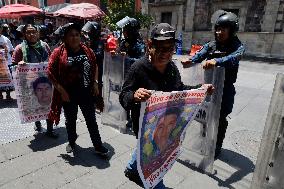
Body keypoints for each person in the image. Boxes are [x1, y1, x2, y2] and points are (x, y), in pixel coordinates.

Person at [119, 23, 214, 188]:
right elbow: (123, 96)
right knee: (156, 157)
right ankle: (157, 184)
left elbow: (179, 91)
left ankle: (132, 167)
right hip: (145, 127)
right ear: (150, 46)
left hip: (168, 123)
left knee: (144, 150)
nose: (165, 54)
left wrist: (200, 90)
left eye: (170, 49)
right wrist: (134, 95)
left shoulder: (172, 68)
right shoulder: (138, 68)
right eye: (160, 49)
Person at [181, 11, 245, 158]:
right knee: (204, 114)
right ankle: (204, 139)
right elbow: (200, 54)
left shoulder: (237, 47)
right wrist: (190, 61)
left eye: (223, 29)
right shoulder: (211, 45)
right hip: (208, 87)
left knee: (220, 119)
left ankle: (217, 145)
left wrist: (217, 61)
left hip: (225, 89)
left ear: (232, 30)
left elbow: (234, 58)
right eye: (218, 29)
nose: (219, 32)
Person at [47, 23, 109, 155]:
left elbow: (95, 66)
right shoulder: (58, 52)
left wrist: (96, 82)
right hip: (68, 94)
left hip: (86, 92)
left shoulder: (87, 50)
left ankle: (98, 145)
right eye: (71, 35)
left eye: (77, 35)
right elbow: (50, 72)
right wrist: (61, 91)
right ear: (65, 38)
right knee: (70, 121)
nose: (75, 38)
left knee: (91, 120)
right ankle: (71, 141)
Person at [12, 24, 58, 138]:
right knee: (34, 105)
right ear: (24, 34)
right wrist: (18, 64)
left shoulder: (45, 45)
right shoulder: (19, 48)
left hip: (46, 81)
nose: (31, 34)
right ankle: (37, 124)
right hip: (30, 83)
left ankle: (50, 129)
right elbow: (13, 65)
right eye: (28, 32)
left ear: (38, 33)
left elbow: (51, 60)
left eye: (34, 32)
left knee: (48, 105)